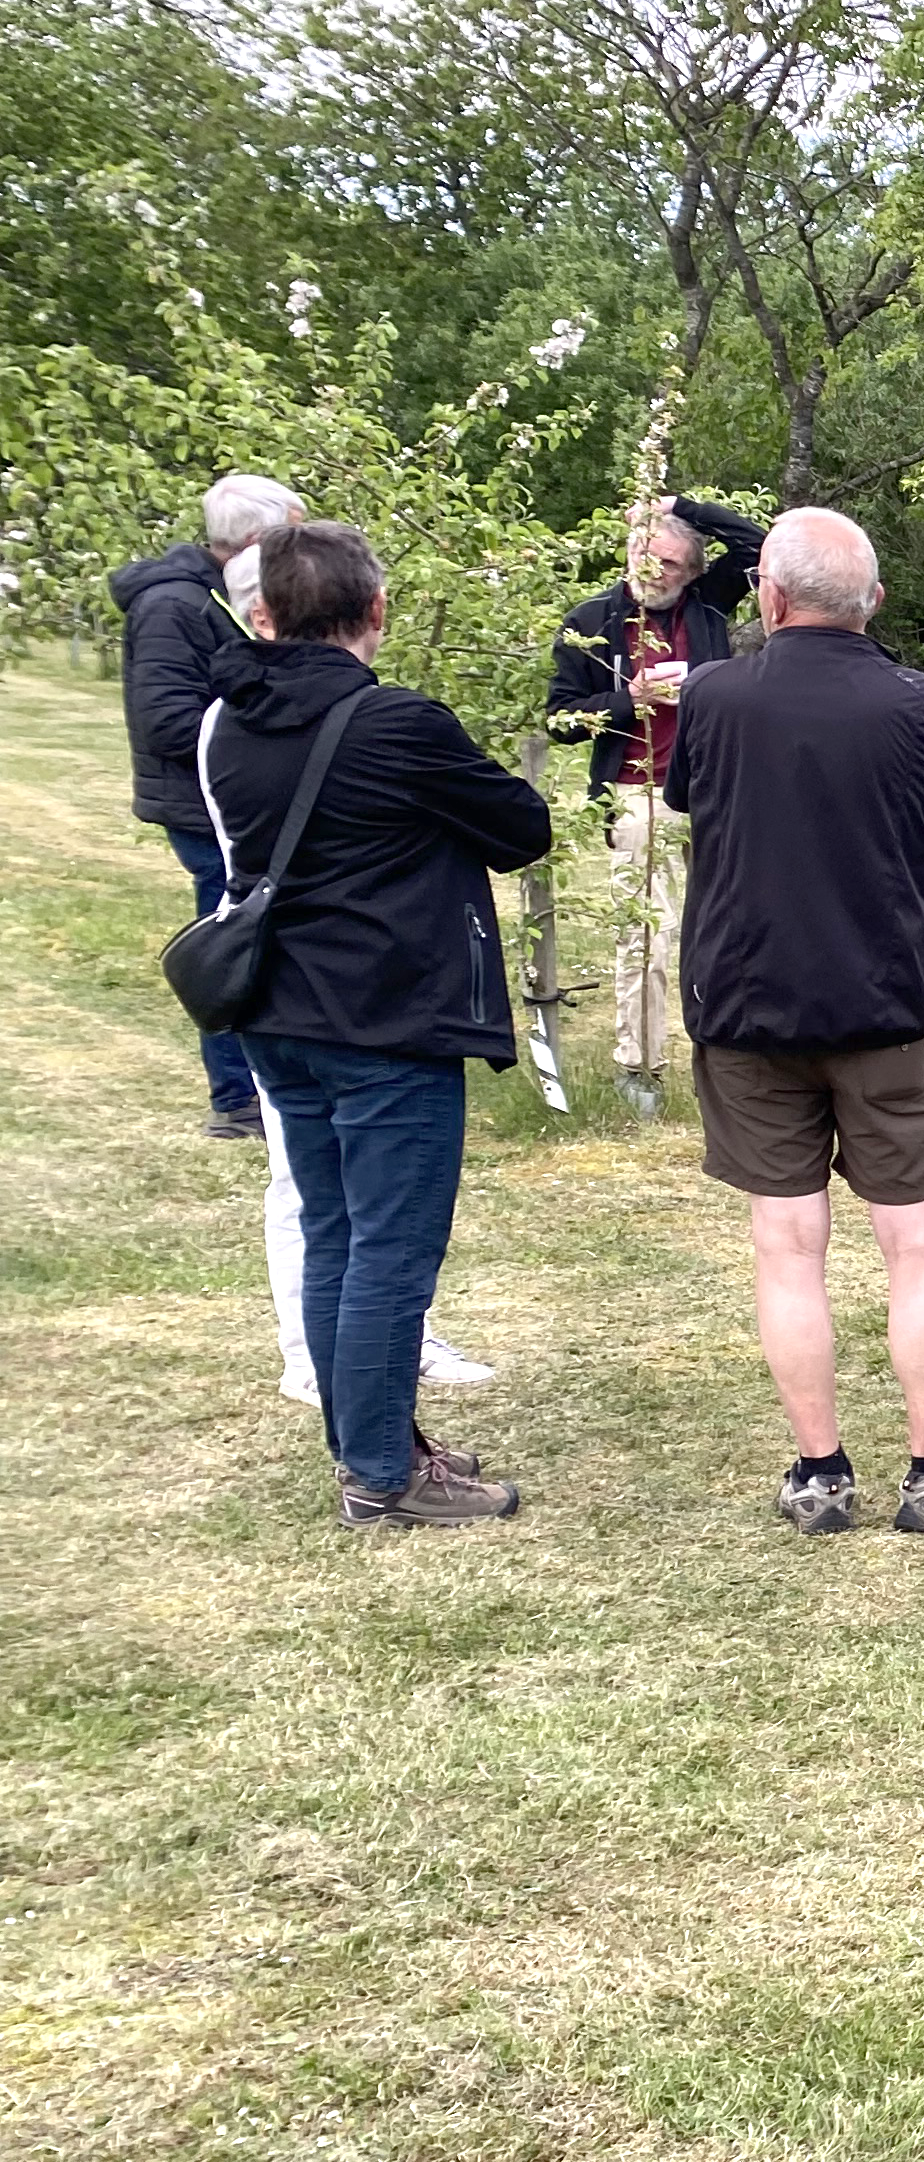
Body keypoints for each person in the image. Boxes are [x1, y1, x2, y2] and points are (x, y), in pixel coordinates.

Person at [667, 507, 924, 1537]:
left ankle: (820, 1472)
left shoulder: (714, 695)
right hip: (885, 1004)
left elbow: (697, 806)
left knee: (787, 1244)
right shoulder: (920, 702)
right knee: (916, 1240)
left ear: (768, 597)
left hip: (746, 1005)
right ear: (869, 602)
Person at [198, 523, 551, 1529]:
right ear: (376, 612)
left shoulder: (227, 717)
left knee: (335, 1234)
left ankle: (372, 1440)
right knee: (391, 1248)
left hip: (275, 1010)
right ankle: (382, 1472)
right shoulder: (396, 723)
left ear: (267, 613)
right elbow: (522, 826)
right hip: (385, 1014)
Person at [545, 495, 767, 1118]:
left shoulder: (706, 608)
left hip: (717, 789)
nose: (654, 570)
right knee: (646, 931)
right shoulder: (591, 622)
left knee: (733, 924)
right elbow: (561, 720)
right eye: (644, 553)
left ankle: (733, 1057)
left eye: (670, 562)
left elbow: (758, 545)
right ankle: (639, 1066)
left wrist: (681, 506)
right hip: (637, 791)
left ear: (693, 572)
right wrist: (629, 700)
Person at [116, 471, 303, 1140]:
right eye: (290, 536)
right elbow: (166, 721)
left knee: (253, 933)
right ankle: (235, 1097)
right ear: (256, 540)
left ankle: (256, 1082)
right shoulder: (174, 605)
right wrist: (267, 726)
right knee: (232, 941)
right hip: (205, 804)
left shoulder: (215, 598)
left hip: (229, 795)